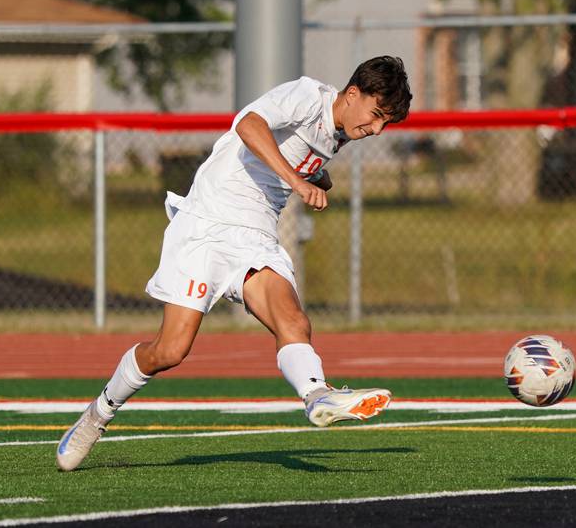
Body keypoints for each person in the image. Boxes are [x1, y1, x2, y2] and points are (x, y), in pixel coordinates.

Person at [56, 55, 412, 471]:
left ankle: (318, 396)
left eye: (385, 124)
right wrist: (298, 180)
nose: (376, 130)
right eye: (375, 116)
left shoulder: (339, 132)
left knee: (293, 322)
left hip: (255, 237)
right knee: (170, 350)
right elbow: (249, 125)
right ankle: (98, 415)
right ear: (353, 94)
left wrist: (314, 176)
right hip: (207, 226)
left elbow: (299, 156)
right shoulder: (307, 96)